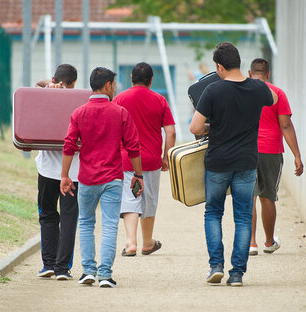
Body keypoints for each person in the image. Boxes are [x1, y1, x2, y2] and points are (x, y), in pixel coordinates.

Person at [190, 42, 276, 287]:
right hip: (247, 161)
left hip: (218, 161)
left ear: (219, 66)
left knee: (214, 213)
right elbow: (273, 97)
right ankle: (237, 273)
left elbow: (195, 128)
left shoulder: (213, 91)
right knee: (242, 216)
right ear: (239, 63)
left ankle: (216, 266)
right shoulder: (258, 87)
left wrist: (213, 126)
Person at [60, 67, 144, 288]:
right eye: (114, 85)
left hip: (87, 179)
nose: (115, 88)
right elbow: (133, 147)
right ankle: (105, 274)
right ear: (107, 85)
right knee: (109, 226)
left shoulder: (79, 113)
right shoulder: (120, 112)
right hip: (113, 179)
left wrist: (64, 176)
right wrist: (138, 175)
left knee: (86, 223)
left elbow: (69, 146)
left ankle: (88, 271)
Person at [112, 62, 176, 257]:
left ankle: (130, 242)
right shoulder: (159, 100)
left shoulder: (119, 99)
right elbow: (171, 132)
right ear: (151, 80)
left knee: (130, 198)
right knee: (148, 199)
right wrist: (166, 157)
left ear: (131, 78)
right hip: (151, 161)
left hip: (126, 160)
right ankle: (147, 242)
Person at [247, 58, 304, 256]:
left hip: (245, 150)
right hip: (270, 151)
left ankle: (251, 243)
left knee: (248, 197)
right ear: (268, 74)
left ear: (249, 73)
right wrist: (297, 155)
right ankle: (269, 241)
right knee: (267, 197)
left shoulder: (242, 91)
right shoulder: (277, 93)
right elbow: (286, 125)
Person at [34, 64, 80, 281]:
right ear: (75, 83)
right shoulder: (81, 101)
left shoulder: (44, 96)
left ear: (55, 79)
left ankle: (48, 264)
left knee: (47, 216)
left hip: (46, 171)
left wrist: (49, 85)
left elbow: (37, 83)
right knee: (69, 218)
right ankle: (63, 268)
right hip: (74, 173)